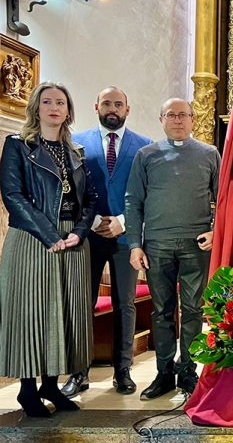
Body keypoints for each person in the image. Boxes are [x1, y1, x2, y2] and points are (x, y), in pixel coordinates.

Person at [0, 82, 97, 417]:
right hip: (32, 239)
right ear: (36, 108)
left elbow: (90, 201)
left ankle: (51, 386)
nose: (54, 108)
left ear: (68, 111)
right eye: (47, 102)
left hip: (71, 242)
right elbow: (13, 195)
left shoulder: (77, 151)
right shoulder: (18, 145)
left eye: (61, 102)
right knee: (33, 312)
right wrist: (48, 234)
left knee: (66, 313)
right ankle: (27, 390)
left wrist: (80, 233)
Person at [124, 98, 220, 400]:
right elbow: (133, 201)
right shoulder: (146, 155)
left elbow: (225, 199)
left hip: (196, 244)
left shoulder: (209, 154)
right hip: (157, 245)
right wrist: (134, 244)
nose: (178, 120)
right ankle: (164, 372)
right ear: (161, 119)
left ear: (192, 119)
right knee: (162, 311)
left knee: (193, 310)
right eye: (171, 115)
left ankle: (189, 371)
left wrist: (215, 230)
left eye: (183, 115)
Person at [61, 87, 152, 397]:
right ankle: (79, 371)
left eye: (119, 104)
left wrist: (122, 222)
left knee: (125, 303)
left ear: (127, 109)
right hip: (88, 235)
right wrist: (95, 220)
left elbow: (145, 193)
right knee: (82, 303)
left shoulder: (144, 146)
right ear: (96, 106)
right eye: (107, 103)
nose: (113, 108)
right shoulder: (75, 143)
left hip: (127, 236)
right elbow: (71, 191)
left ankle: (123, 370)